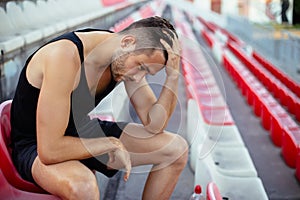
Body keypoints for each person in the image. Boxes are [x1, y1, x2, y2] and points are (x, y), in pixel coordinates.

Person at [10, 16, 188, 200]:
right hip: (36, 145)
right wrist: (106, 143)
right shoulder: (64, 56)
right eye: (141, 66)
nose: (138, 78)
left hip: (80, 131)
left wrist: (173, 77)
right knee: (84, 187)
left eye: (146, 73)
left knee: (176, 150)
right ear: (127, 42)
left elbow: (154, 124)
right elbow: (49, 150)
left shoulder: (124, 56)